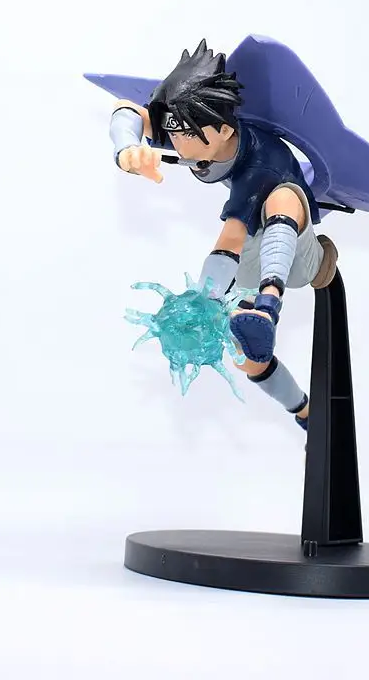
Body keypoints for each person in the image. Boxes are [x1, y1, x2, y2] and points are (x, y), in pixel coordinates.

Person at [108, 40, 338, 433]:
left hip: (298, 257)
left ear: (225, 129)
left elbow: (229, 240)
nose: (175, 141)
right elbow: (126, 110)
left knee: (282, 198)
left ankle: (268, 307)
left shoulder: (259, 164)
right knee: (248, 358)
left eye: (185, 133)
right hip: (252, 251)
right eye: (173, 129)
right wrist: (127, 149)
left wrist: (205, 299)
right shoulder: (197, 129)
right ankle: (305, 412)